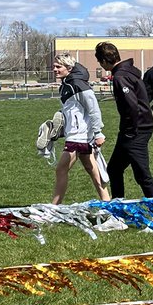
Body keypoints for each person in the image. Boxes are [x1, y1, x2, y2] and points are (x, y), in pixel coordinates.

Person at [94, 42, 153, 199]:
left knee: (142, 174)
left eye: (99, 61)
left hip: (135, 131)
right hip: (134, 129)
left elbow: (131, 106)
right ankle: (118, 213)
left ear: (104, 60)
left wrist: (130, 132)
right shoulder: (128, 72)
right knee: (114, 170)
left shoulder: (120, 76)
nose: (100, 65)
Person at [51, 54, 110, 205]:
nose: (55, 69)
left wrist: (98, 132)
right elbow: (73, 112)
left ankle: (54, 207)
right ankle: (108, 204)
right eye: (54, 66)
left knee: (61, 169)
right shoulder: (65, 84)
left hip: (80, 136)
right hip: (77, 135)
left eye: (58, 67)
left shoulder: (77, 83)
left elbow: (93, 109)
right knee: (93, 171)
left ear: (69, 68)